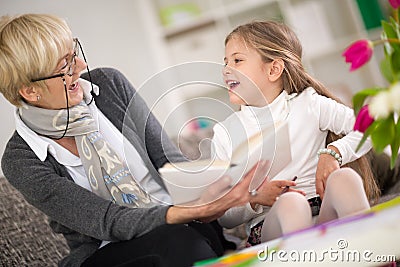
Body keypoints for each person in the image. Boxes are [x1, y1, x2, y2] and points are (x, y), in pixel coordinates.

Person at [0, 14, 278, 267]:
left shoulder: (108, 85)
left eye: (75, 55)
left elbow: (172, 164)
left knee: (198, 234)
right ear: (30, 91)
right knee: (180, 242)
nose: (81, 67)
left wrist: (222, 188)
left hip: (185, 225)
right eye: (65, 66)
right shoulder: (20, 159)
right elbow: (107, 220)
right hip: (111, 252)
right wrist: (186, 211)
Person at [212, 20, 381, 246]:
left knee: (345, 178)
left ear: (273, 69)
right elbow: (223, 215)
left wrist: (334, 152)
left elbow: (370, 127)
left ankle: (374, 255)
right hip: (272, 226)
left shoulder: (309, 104)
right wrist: (255, 198)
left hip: (323, 212)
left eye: (237, 60)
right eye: (226, 62)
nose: (226, 69)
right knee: (293, 204)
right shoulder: (225, 133)